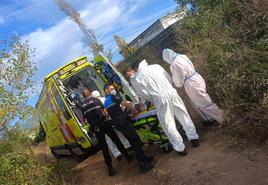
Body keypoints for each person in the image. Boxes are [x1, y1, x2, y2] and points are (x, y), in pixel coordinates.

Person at [124, 60, 199, 155]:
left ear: (135, 68)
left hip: (159, 98)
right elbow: (169, 78)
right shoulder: (156, 66)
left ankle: (180, 148)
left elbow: (145, 95)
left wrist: (153, 99)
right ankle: (193, 138)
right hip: (171, 92)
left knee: (168, 123)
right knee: (183, 115)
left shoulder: (138, 77)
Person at [162, 49, 224, 125]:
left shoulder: (175, 64)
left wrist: (176, 83)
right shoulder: (181, 56)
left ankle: (222, 118)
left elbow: (179, 79)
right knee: (195, 103)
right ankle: (209, 118)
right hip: (196, 77)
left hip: (191, 83)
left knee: (204, 103)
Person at [81, 88, 133, 176]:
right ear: (90, 93)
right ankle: (127, 157)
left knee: (104, 148)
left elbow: (85, 119)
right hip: (104, 123)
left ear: (83, 96)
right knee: (116, 140)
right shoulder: (96, 100)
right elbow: (105, 111)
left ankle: (110, 168)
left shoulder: (82, 106)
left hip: (96, 127)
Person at [103, 83, 154, 172]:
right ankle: (143, 165)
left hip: (119, 124)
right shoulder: (113, 97)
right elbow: (126, 104)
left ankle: (144, 158)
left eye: (113, 88)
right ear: (106, 90)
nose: (113, 90)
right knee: (136, 141)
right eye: (111, 89)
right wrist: (134, 111)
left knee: (133, 142)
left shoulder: (105, 101)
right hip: (123, 123)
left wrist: (127, 114)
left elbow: (113, 112)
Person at [91, 90, 131, 161]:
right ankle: (127, 146)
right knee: (118, 134)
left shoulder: (93, 103)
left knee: (109, 139)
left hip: (102, 123)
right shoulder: (104, 99)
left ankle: (116, 154)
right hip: (111, 119)